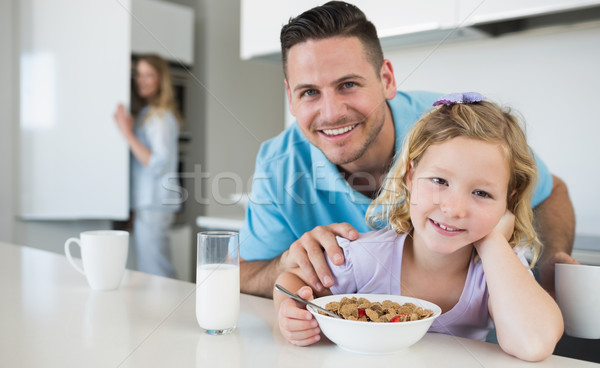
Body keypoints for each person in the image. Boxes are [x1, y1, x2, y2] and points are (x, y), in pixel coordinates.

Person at [239, 1, 576, 299]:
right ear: (290, 96)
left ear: (386, 79)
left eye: (348, 85)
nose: (331, 113)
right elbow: (242, 272)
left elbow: (551, 191)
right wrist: (288, 261)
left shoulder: (452, 128)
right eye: (309, 92)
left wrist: (553, 257)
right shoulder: (279, 161)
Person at [274, 92, 564, 361]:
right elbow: (292, 281)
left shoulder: (498, 268)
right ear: (410, 177)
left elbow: (533, 343)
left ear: (507, 201)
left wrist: (493, 243)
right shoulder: (368, 256)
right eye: (439, 182)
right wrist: (288, 311)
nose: (454, 209)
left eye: (482, 194)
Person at [114, 54, 182, 278]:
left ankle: (172, 312)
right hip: (148, 204)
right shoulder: (147, 114)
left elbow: (156, 163)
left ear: (161, 80)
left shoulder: (161, 117)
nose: (141, 80)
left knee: (156, 270)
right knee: (150, 268)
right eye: (138, 74)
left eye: (149, 75)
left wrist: (126, 133)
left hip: (155, 203)